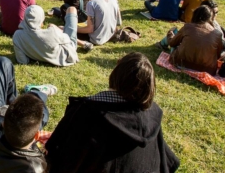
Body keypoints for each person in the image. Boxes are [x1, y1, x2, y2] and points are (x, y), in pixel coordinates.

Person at [45, 52, 180, 173]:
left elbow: (59, 155)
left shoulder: (87, 112)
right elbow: (165, 161)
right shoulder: (152, 115)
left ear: (116, 74)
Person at [13, 5, 89, 66]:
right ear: (41, 18)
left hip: (52, 43)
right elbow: (67, 39)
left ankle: (84, 43)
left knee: (53, 26)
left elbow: (23, 61)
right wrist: (57, 30)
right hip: (64, 56)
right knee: (72, 9)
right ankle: (84, 43)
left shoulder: (17, 35)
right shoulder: (51, 33)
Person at [160, 6, 225, 76]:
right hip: (207, 70)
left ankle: (162, 44)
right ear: (210, 18)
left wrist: (170, 34)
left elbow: (172, 43)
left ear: (195, 15)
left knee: (175, 34)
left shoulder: (188, 27)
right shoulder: (217, 33)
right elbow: (217, 55)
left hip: (181, 63)